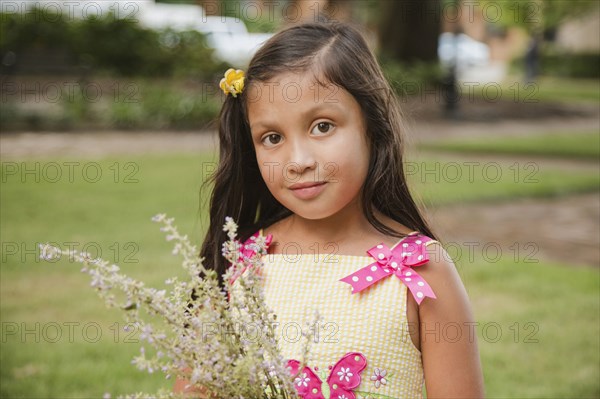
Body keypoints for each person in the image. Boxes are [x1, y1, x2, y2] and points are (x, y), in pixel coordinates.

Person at [175, 22, 484, 398]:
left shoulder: (422, 272)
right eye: (272, 138)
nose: (298, 160)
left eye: (322, 126)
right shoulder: (241, 265)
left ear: (372, 126)